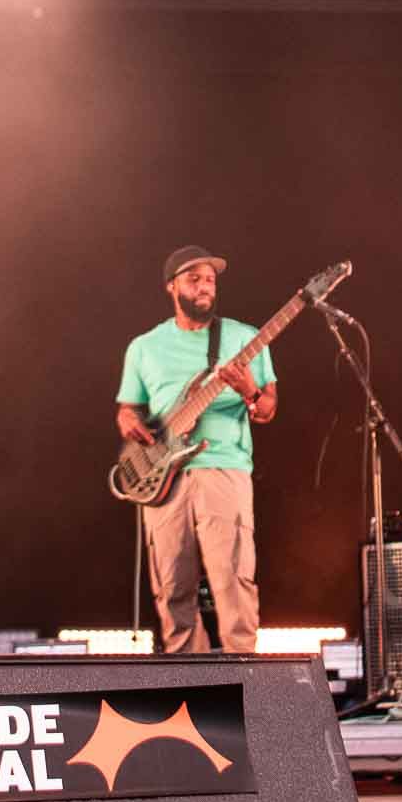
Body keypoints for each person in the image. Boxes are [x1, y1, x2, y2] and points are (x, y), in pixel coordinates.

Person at [116, 245, 277, 653]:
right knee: (171, 586)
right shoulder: (143, 347)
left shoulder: (244, 338)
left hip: (222, 467)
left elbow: (266, 409)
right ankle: (191, 686)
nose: (205, 287)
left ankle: (244, 684)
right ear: (172, 287)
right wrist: (131, 424)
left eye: (210, 280)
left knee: (233, 580)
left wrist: (248, 390)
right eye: (194, 279)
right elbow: (127, 411)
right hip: (161, 476)